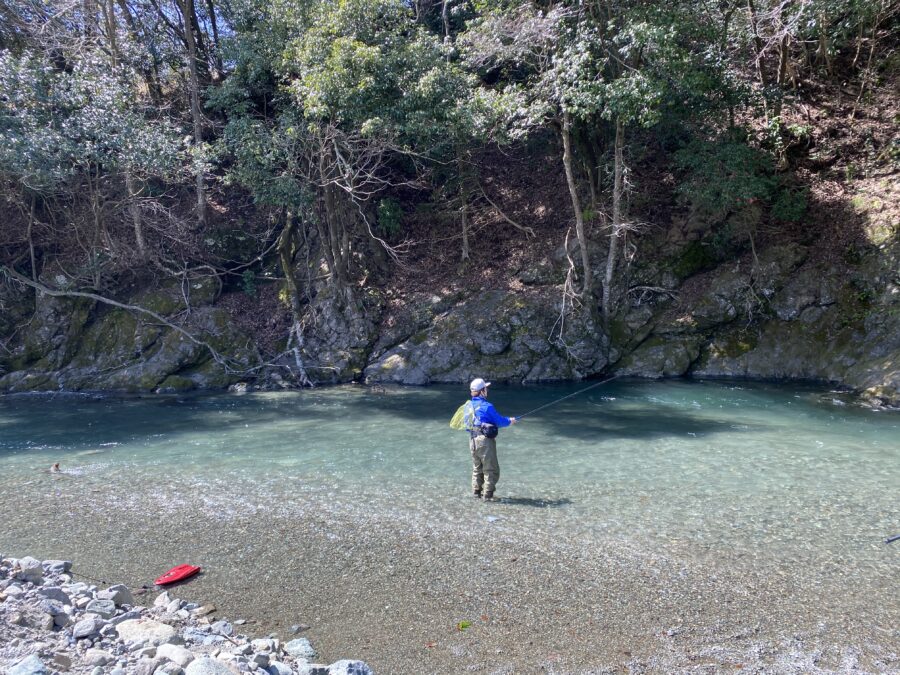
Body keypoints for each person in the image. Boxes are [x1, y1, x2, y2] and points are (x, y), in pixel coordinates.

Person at [463, 378, 516, 501]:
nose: (487, 390)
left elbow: (467, 424)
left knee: (477, 468)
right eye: (486, 388)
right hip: (485, 441)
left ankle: (476, 493)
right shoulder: (487, 406)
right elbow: (500, 421)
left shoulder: (468, 406)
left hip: (472, 440)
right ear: (482, 391)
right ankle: (488, 496)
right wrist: (510, 421)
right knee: (490, 469)